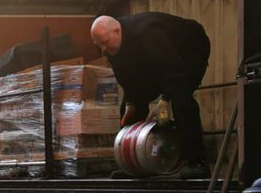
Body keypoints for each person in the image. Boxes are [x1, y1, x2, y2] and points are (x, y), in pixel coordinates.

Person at [90, 12, 210, 178]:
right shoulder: (112, 47)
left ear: (117, 31)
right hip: (154, 61)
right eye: (99, 45)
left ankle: (197, 162)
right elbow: (128, 80)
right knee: (129, 105)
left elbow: (174, 70)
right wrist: (130, 106)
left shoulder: (148, 34)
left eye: (105, 43)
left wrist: (165, 101)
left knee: (181, 99)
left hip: (189, 50)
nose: (104, 49)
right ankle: (132, 163)